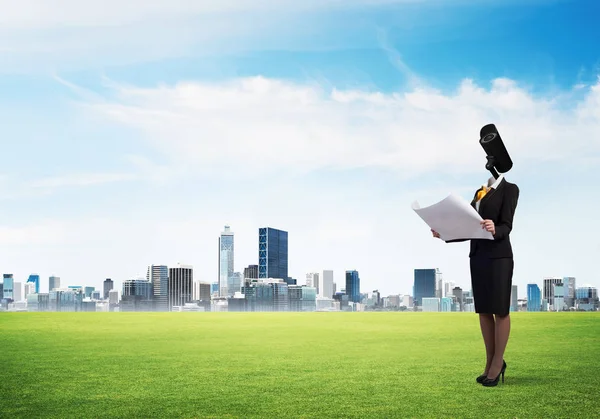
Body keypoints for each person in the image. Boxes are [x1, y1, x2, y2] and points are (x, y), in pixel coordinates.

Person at [431, 173, 519, 387]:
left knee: (500, 311)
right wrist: (444, 234)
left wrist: (495, 228)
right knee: (484, 311)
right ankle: (489, 362)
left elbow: (507, 225)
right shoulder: (479, 193)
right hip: (478, 257)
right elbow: (468, 227)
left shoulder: (510, 189)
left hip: (499, 257)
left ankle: (498, 363)